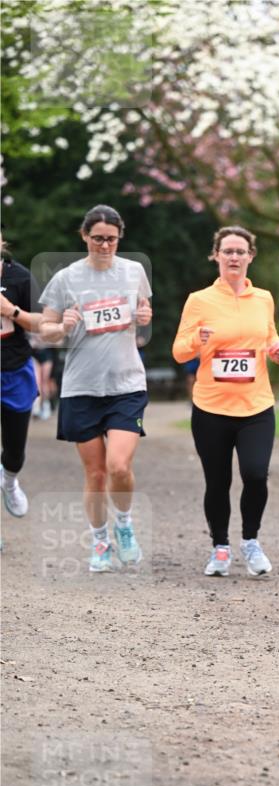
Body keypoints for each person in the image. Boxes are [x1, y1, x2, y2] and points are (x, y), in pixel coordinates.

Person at [38, 205, 152, 572]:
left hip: (126, 384)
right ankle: (100, 540)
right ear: (84, 236)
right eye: (98, 238)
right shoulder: (66, 278)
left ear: (120, 238)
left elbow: (143, 317)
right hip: (82, 386)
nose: (105, 245)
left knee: (119, 466)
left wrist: (145, 317)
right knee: (96, 473)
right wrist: (63, 326)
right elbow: (45, 329)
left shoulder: (134, 272)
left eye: (112, 239)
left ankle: (124, 524)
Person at [172, 225, 279, 578]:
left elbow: (270, 339)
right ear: (216, 256)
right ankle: (220, 547)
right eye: (228, 251)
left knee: (255, 474)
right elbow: (179, 352)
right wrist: (197, 338)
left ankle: (250, 541)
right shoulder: (199, 300)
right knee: (217, 481)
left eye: (240, 251)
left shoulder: (264, 298)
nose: (234, 257)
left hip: (256, 406)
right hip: (211, 408)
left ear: (251, 256)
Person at [0, 241, 43, 521]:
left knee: (14, 453)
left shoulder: (20, 277)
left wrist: (11, 311)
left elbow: (42, 322)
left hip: (14, 371)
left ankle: (10, 481)